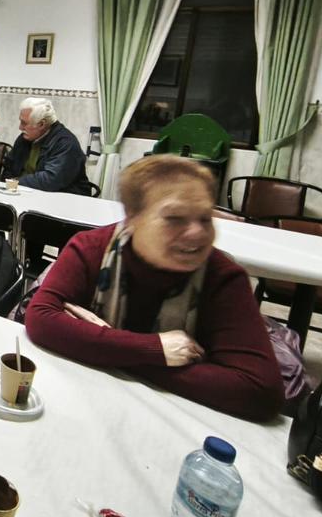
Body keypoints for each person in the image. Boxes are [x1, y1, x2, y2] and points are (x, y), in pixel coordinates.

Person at [24, 156, 285, 421]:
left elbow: (261, 392)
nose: (196, 233)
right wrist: (155, 350)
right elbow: (41, 319)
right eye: (174, 218)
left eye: (205, 218)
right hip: (85, 404)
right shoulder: (91, 248)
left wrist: (104, 343)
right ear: (133, 219)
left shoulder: (223, 278)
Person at [1, 96, 91, 194]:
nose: (20, 127)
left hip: (63, 199)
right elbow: (9, 166)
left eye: (24, 123)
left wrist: (14, 183)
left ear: (41, 124)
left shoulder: (66, 143)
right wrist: (8, 185)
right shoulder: (24, 138)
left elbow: (50, 180)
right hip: (24, 193)